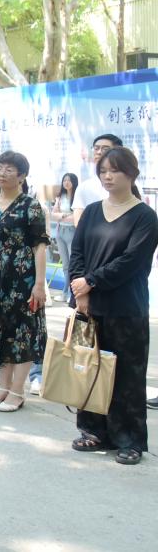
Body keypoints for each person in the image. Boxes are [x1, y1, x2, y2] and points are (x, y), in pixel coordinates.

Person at [68, 147, 158, 466]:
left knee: (126, 376)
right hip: (89, 305)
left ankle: (129, 439)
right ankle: (94, 430)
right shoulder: (93, 211)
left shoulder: (145, 216)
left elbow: (131, 261)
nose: (107, 176)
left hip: (126, 307)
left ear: (131, 174)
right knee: (89, 370)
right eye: (103, 171)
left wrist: (90, 281)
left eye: (114, 170)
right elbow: (77, 252)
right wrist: (80, 290)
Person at [0, 151, 48, 412]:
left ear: (22, 176)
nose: (2, 173)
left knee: (21, 332)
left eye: (9, 169)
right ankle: (3, 388)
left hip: (22, 278)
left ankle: (17, 391)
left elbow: (40, 245)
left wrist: (39, 283)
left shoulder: (30, 206)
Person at [72, 134, 122, 227]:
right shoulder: (84, 187)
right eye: (96, 148)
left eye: (105, 149)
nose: (99, 152)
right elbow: (78, 223)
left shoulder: (127, 185)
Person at [51, 173, 78, 302]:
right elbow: (53, 214)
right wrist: (64, 215)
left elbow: (76, 218)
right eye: (64, 180)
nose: (66, 182)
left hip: (72, 232)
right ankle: (65, 293)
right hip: (59, 231)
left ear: (74, 182)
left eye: (69, 180)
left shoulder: (77, 197)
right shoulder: (60, 197)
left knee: (73, 264)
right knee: (65, 265)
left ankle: (73, 294)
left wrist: (61, 216)